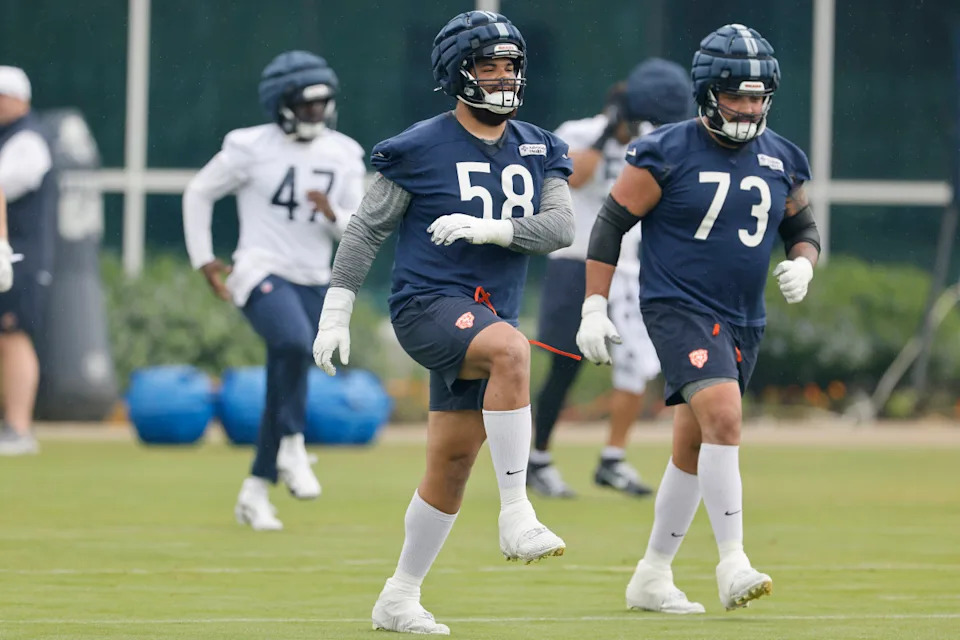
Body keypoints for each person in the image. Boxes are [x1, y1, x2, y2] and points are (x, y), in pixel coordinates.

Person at [312, 11, 573, 635]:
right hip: (427, 305)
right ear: (458, 73)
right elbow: (367, 227)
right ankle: (516, 513)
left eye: (511, 66)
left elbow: (561, 228)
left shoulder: (538, 144)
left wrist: (493, 229)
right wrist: (336, 311)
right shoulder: (418, 146)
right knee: (512, 351)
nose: (504, 78)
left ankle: (398, 597)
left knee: (451, 463)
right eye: (490, 65)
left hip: (485, 312)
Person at [576, 24, 819, 613]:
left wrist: (805, 265)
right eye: (737, 94)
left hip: (744, 317)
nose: (749, 107)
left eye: (758, 96)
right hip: (678, 305)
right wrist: (593, 305)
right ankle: (732, 560)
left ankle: (652, 574)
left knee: (694, 442)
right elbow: (610, 224)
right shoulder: (665, 150)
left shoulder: (783, 156)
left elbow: (802, 229)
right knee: (725, 417)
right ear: (709, 92)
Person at [183, 51, 365, 531]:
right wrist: (203, 256)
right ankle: (293, 444)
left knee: (287, 369)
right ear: (282, 104)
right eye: (306, 105)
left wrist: (331, 213)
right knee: (291, 343)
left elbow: (360, 228)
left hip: (312, 275)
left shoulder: (344, 153)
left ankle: (256, 489)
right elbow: (199, 191)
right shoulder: (249, 146)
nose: (316, 113)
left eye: (322, 104)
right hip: (259, 267)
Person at [528, 58, 693, 499]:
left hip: (631, 267)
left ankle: (612, 459)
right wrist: (607, 135)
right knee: (565, 364)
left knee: (636, 365)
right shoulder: (579, 131)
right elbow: (573, 178)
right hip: (576, 259)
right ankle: (536, 458)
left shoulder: (653, 143)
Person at [0, 66, 54, 456]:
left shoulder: (28, 141)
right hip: (10, 251)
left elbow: (4, 187)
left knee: (13, 335)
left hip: (20, 256)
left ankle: (19, 428)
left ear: (18, 100)